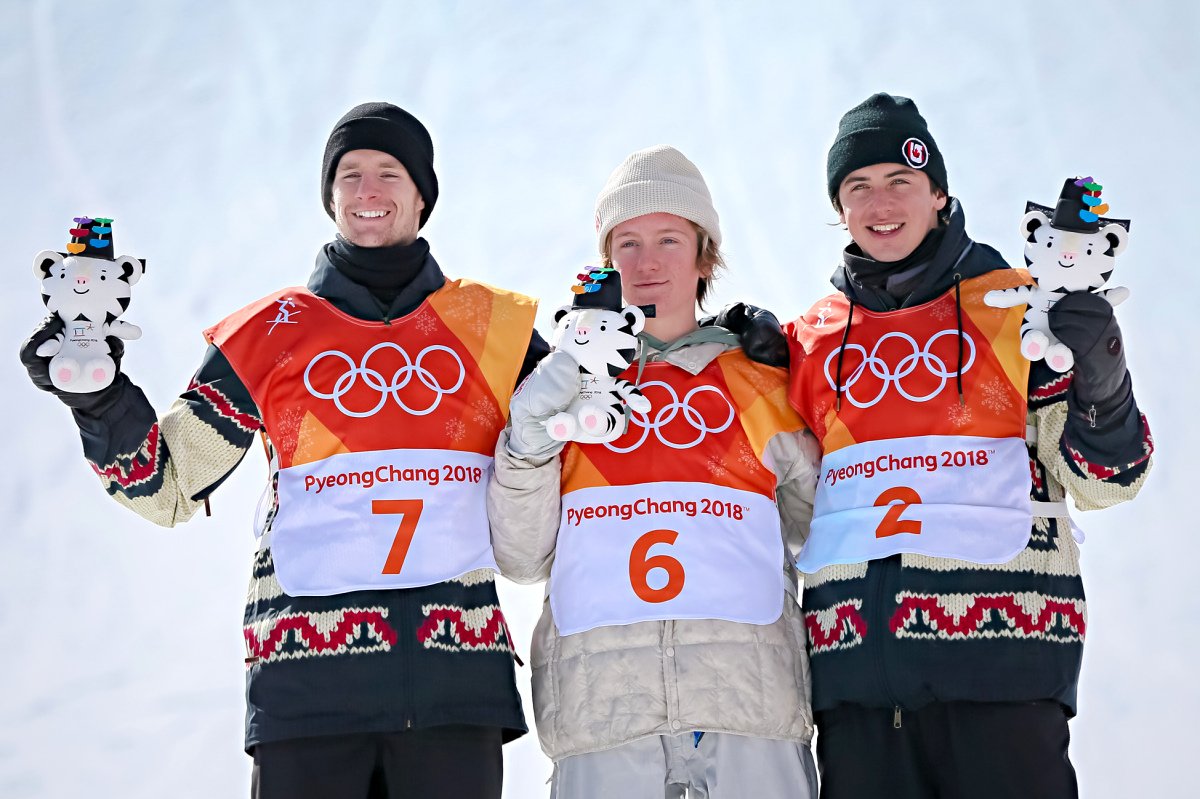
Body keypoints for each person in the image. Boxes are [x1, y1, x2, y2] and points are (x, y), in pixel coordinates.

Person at [21, 102, 548, 799]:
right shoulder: (271, 332)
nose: (367, 190)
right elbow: (166, 484)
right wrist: (98, 396)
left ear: (424, 194)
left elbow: (599, 445)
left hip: (454, 690)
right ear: (329, 196)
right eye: (349, 174)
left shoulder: (496, 328)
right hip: (307, 693)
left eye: (389, 173)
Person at [782, 93, 1154, 798]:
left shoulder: (1018, 308)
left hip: (1003, 677)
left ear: (938, 194)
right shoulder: (811, 338)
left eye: (900, 181)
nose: (880, 203)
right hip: (858, 695)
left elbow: (1108, 481)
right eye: (858, 186)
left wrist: (1102, 378)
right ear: (839, 208)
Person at [487, 145, 821, 798]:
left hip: (748, 705)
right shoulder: (568, 389)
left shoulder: (761, 381)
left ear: (704, 256)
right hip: (604, 712)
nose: (646, 263)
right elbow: (522, 556)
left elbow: (822, 534)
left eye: (669, 239)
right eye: (628, 243)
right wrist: (527, 445)